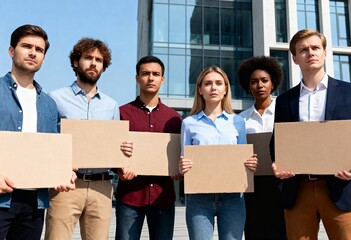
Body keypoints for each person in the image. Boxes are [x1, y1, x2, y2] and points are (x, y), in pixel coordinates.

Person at [44, 38, 133, 240]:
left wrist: (123, 155)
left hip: (102, 187)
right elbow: (47, 140)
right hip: (66, 185)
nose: (93, 63)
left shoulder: (111, 106)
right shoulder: (55, 98)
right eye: (88, 58)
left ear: (103, 66)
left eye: (99, 60)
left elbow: (113, 147)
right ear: (76, 62)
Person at [271, 29, 351, 239]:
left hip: (341, 188)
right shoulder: (284, 100)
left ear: (325, 52)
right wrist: (277, 164)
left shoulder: (348, 92)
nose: (310, 53)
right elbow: (277, 143)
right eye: (303, 50)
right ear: (295, 58)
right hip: (298, 189)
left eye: (315, 48)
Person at [0, 24, 76, 240]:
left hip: (35, 202)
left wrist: (63, 172)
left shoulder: (49, 104)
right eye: (26, 46)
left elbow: (51, 150)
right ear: (11, 50)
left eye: (39, 49)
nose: (33, 52)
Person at [179, 66, 258, 240]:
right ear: (200, 90)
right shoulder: (189, 123)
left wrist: (250, 164)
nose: (213, 88)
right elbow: (182, 162)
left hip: (233, 198)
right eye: (207, 84)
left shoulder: (238, 122)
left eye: (218, 83)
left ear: (225, 89)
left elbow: (243, 158)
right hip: (199, 199)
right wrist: (183, 166)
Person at [114, 55, 182, 240]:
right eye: (145, 74)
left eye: (155, 74)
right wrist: (118, 168)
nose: (150, 78)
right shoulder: (120, 113)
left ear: (162, 79)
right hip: (129, 196)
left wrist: (178, 170)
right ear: (137, 78)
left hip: (163, 197)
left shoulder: (174, 118)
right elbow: (110, 149)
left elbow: (181, 153)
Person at [237, 56, 286, 239]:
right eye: (254, 82)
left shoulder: (284, 112)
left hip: (281, 183)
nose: (259, 85)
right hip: (252, 187)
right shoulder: (240, 119)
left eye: (264, 80)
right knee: (254, 232)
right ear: (248, 86)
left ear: (273, 83)